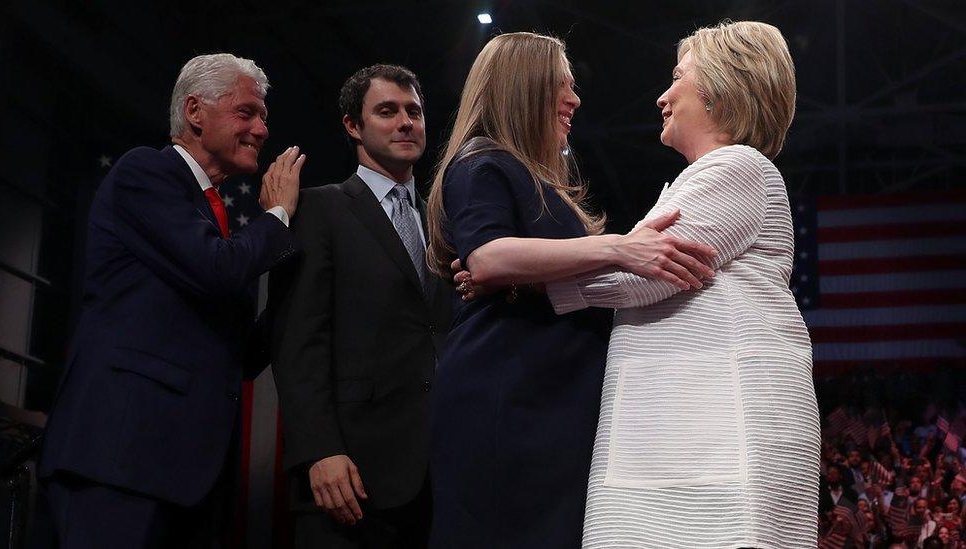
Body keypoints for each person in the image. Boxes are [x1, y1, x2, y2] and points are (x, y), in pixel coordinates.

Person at [452, 21, 820, 547]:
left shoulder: (736, 167)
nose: (663, 96)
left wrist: (520, 278)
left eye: (678, 78)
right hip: (688, 428)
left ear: (716, 89)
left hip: (719, 428)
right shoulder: (710, 175)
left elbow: (642, 274)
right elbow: (639, 261)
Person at [426, 32, 716, 548]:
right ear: (524, 88)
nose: (576, 100)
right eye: (563, 85)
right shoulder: (481, 162)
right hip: (507, 397)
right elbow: (488, 256)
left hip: (551, 397)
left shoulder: (533, 176)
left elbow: (512, 266)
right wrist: (617, 248)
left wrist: (533, 271)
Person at [38, 53, 304, 548]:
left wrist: (302, 295)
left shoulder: (217, 216)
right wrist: (279, 216)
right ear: (196, 112)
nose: (262, 129)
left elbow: (240, 355)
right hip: (120, 463)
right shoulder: (146, 173)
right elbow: (217, 270)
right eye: (247, 112)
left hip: (191, 478)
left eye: (264, 116)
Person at [269, 64, 450, 548]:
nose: (405, 122)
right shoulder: (319, 210)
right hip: (350, 477)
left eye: (414, 111)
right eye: (387, 111)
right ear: (353, 125)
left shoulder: (441, 222)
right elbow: (297, 340)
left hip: (440, 478)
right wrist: (318, 450)